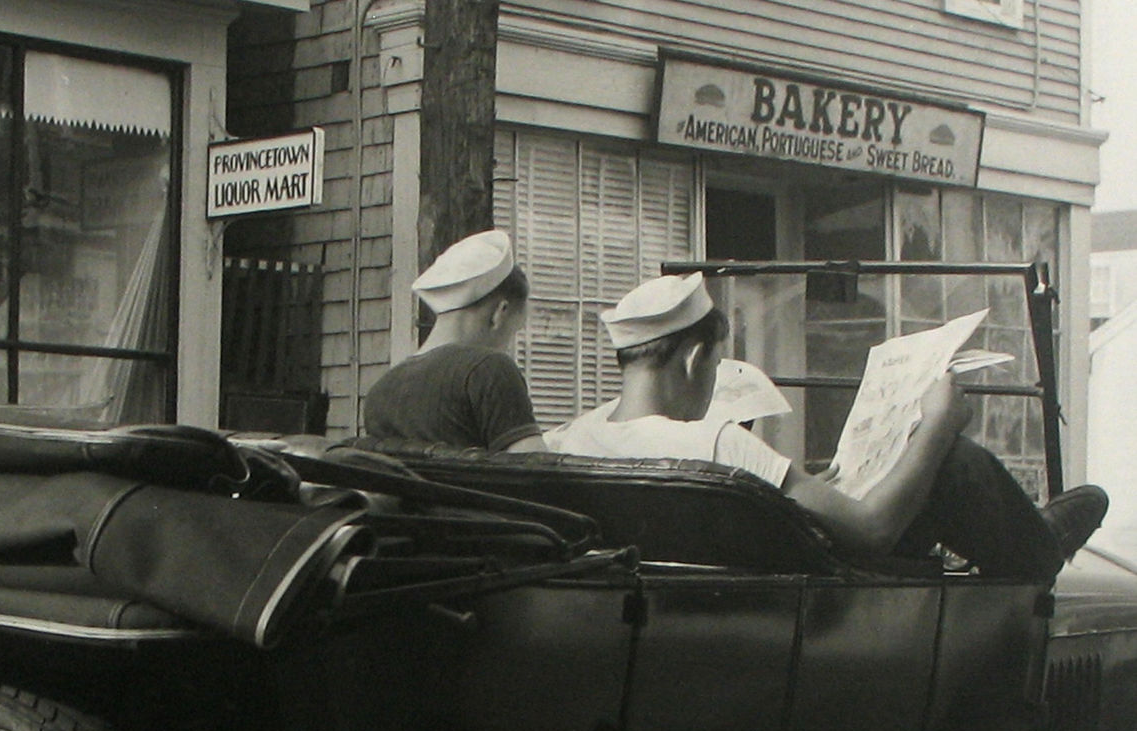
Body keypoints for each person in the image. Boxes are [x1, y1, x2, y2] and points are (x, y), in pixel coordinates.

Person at [544, 273, 1107, 581]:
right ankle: (1040, 548)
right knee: (955, 463)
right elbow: (873, 529)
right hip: (819, 603)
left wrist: (809, 483)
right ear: (693, 359)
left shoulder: (562, 442)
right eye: (716, 366)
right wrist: (936, 426)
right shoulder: (713, 444)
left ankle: (1032, 531)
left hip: (671, 609)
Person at [362, 229, 547, 452]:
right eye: (514, 330)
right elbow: (534, 470)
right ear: (500, 312)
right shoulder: (489, 370)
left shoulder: (381, 390)